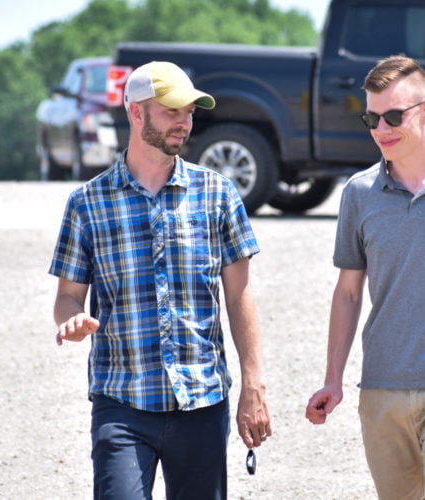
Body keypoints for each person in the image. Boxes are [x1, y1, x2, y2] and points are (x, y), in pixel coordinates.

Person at [49, 60, 271, 500]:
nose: (184, 121)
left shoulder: (218, 194)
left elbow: (240, 296)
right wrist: (71, 320)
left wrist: (254, 384)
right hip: (122, 401)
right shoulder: (87, 204)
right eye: (171, 110)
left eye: (190, 111)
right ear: (136, 112)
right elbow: (68, 297)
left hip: (202, 400)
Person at [305, 54, 425, 500]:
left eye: (394, 116)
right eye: (371, 118)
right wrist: (333, 378)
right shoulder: (358, 193)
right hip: (382, 390)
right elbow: (349, 293)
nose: (381, 129)